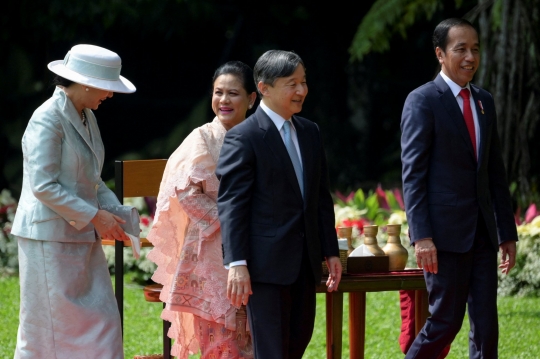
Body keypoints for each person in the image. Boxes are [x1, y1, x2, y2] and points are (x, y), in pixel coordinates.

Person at [401, 18, 518, 358]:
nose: (470, 57)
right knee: (445, 322)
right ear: (440, 53)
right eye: (460, 49)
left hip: (482, 233)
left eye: (475, 49)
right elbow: (413, 175)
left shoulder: (484, 101)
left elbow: (494, 171)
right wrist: (421, 236)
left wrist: (506, 232)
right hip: (442, 237)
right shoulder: (422, 100)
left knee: (486, 326)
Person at [11, 44, 136, 358]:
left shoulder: (86, 116)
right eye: (107, 88)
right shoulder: (47, 118)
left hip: (79, 235)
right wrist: (95, 216)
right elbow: (43, 185)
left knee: (103, 323)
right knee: (44, 335)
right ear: (87, 84)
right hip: (47, 237)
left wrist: (115, 214)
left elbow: (92, 180)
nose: (110, 95)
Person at [216, 50, 342, 359]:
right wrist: (237, 263)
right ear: (264, 88)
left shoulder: (310, 132)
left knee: (297, 344)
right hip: (264, 268)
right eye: (292, 83)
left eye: (303, 82)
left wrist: (331, 251)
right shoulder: (244, 137)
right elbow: (232, 205)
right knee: (272, 351)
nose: (301, 91)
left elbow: (320, 200)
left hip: (306, 264)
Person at [146, 61, 257, 359]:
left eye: (233, 93)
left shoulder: (261, 134)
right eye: (218, 92)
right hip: (211, 248)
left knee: (256, 340)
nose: (223, 100)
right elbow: (185, 190)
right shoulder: (202, 138)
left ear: (252, 98)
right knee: (220, 343)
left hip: (257, 244)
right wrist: (231, 219)